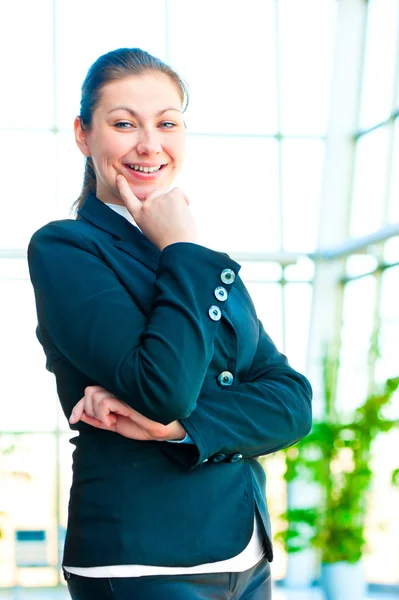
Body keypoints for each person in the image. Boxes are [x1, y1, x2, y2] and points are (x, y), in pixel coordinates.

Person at [27, 47, 312, 600]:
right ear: (84, 135)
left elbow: (292, 402)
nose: (149, 144)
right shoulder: (67, 248)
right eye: (124, 123)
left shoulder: (199, 261)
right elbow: (163, 388)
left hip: (245, 553)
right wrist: (180, 245)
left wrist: (180, 430)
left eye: (168, 123)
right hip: (143, 560)